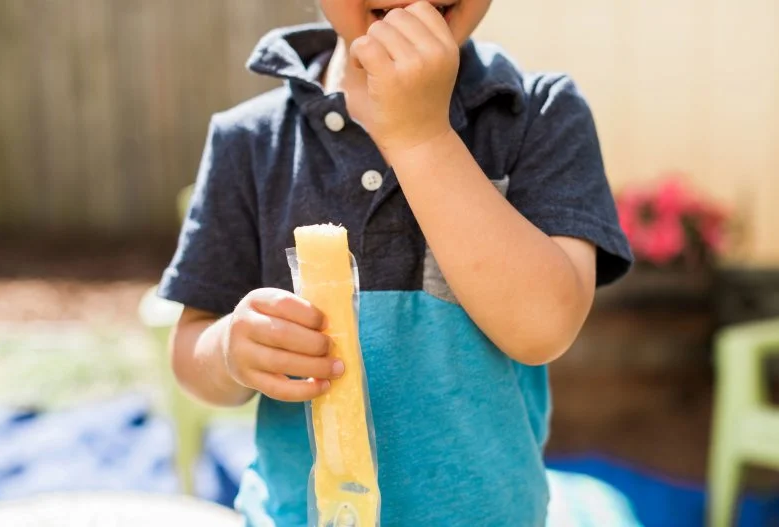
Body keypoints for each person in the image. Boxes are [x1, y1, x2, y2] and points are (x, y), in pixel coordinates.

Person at [159, 1, 633, 525]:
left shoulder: (539, 114)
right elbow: (189, 348)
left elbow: (543, 327)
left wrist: (422, 136)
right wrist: (229, 349)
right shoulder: (248, 141)